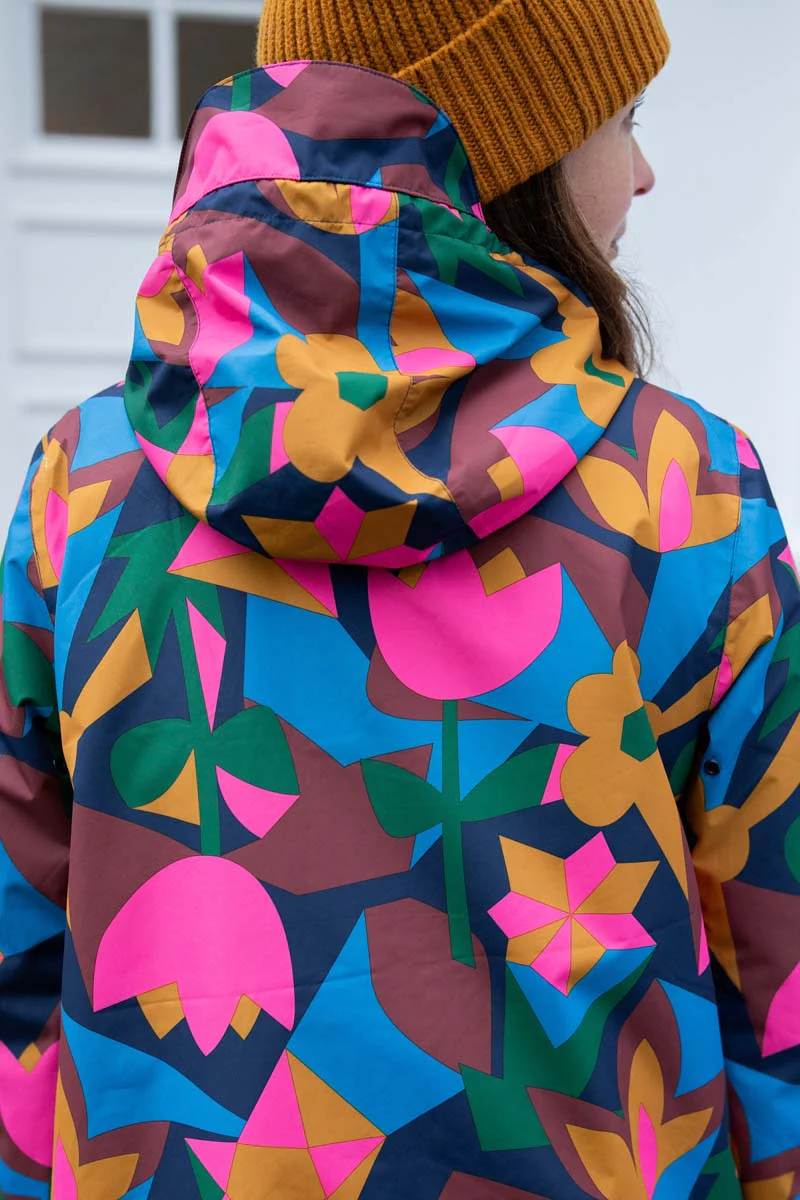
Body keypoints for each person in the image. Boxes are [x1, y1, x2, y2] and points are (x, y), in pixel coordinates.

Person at [1, 0, 798, 1195]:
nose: (640, 173)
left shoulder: (86, 484)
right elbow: (773, 974)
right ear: (515, 152)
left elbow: (20, 951)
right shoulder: (682, 491)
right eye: (621, 120)